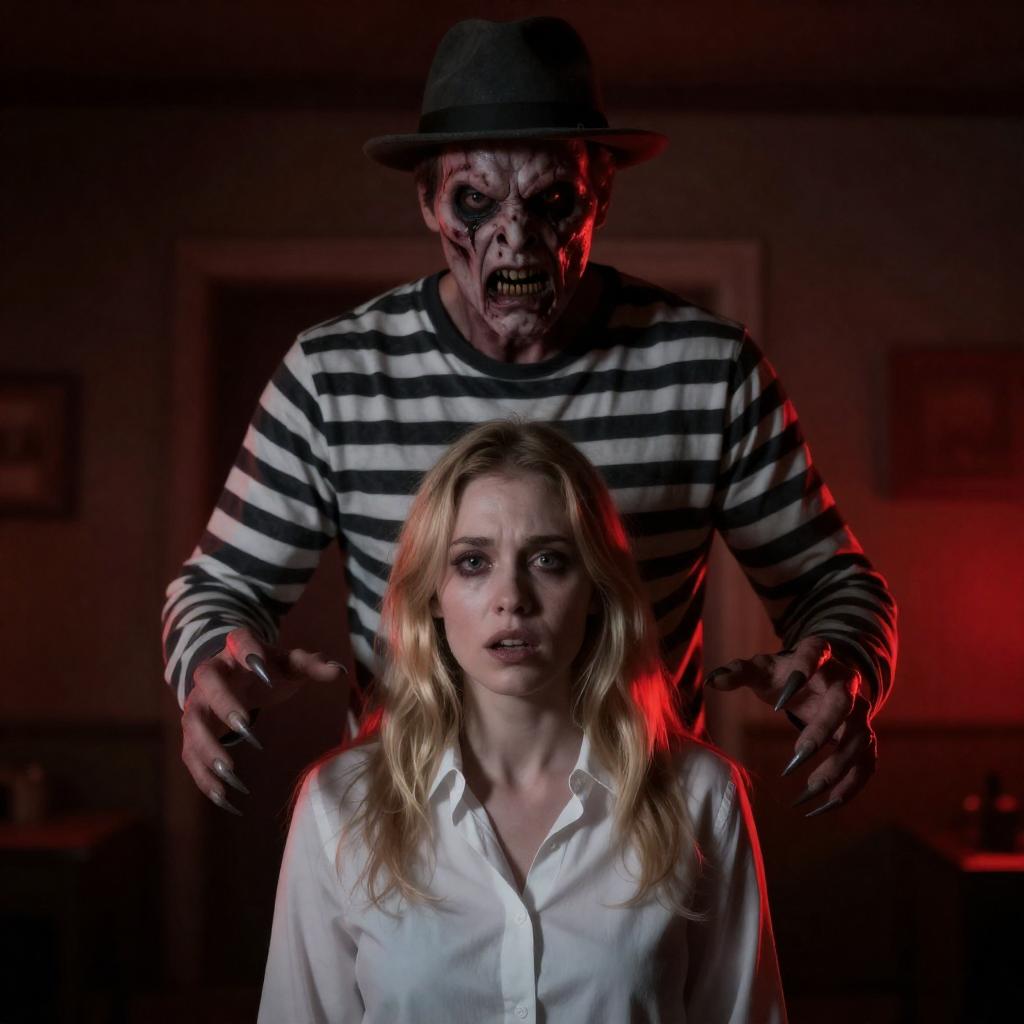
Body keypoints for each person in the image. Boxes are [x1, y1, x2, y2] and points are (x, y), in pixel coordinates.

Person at [162, 17, 897, 821]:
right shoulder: (333, 374)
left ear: (600, 194)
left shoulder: (711, 369)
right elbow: (218, 588)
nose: (513, 238)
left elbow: (833, 584)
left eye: (551, 202)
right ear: (428, 201)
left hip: (639, 826)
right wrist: (212, 660)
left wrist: (845, 667)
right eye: (475, 201)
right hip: (408, 832)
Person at [257, 420, 787, 1023]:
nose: (511, 597)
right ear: (432, 594)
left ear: (596, 590)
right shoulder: (339, 804)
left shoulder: (701, 794)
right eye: (473, 561)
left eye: (548, 560)